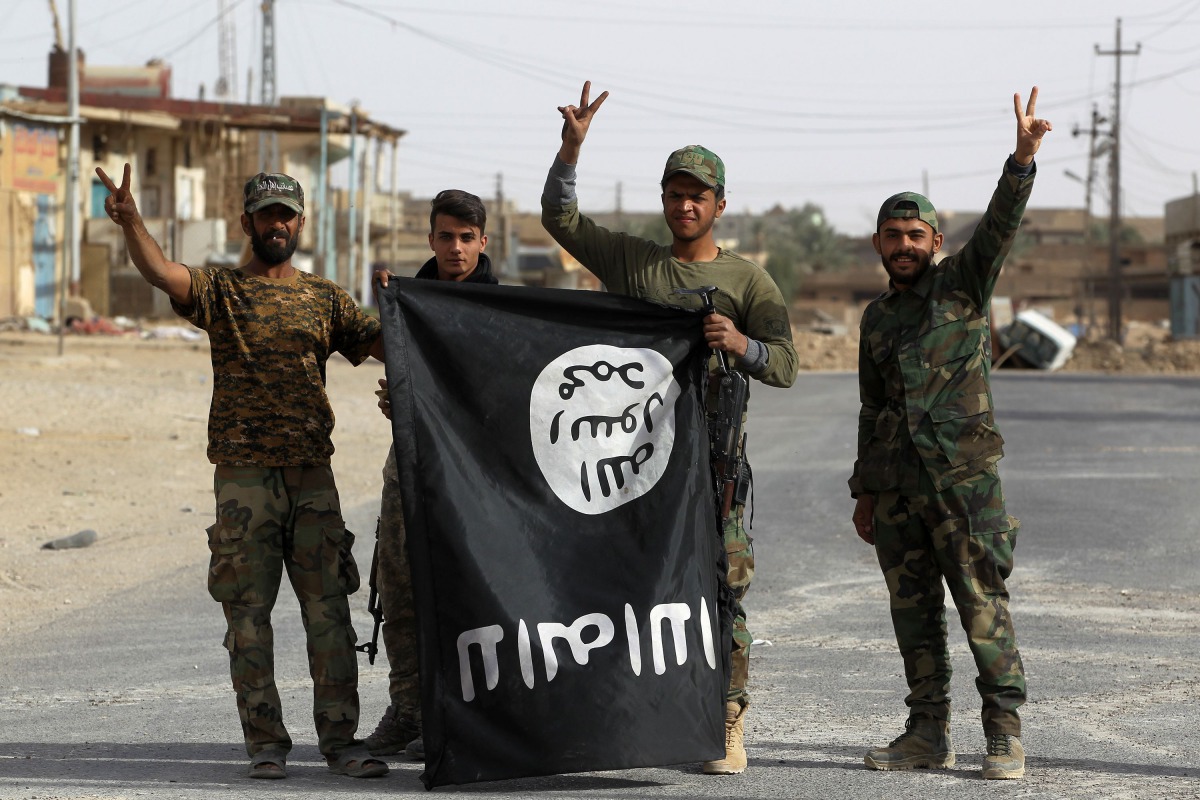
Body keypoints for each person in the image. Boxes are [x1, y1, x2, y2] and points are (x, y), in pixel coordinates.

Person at [97, 164, 389, 780]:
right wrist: (131, 222)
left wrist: (407, 305)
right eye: (266, 215)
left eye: (286, 215)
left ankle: (341, 743)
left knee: (330, 614)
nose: (276, 224)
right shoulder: (221, 290)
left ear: (300, 223)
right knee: (248, 617)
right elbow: (161, 272)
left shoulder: (326, 297)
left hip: (312, 476)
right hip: (244, 480)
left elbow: (392, 346)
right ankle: (266, 745)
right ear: (247, 223)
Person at [541, 81, 798, 775]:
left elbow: (786, 364)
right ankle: (624, 719)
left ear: (719, 205)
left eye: (698, 196)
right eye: (676, 194)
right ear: (664, 201)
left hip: (714, 469)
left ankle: (727, 720)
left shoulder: (749, 282)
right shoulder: (635, 263)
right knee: (624, 591)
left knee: (722, 589)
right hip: (635, 465)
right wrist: (571, 151)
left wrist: (741, 344)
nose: (686, 205)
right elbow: (560, 220)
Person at [848, 88, 1052, 781]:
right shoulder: (877, 320)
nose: (904, 245)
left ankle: (1004, 734)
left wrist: (1021, 160)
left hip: (964, 490)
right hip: (899, 493)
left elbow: (999, 225)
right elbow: (871, 408)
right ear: (879, 244)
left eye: (916, 235)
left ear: (935, 243)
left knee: (981, 608)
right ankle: (926, 734)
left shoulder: (963, 286)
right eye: (893, 235)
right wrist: (866, 491)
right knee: (915, 619)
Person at [364, 190, 499, 761]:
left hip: (478, 474)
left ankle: (474, 718)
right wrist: (397, 399)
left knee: (475, 592)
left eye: (467, 238)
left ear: (483, 242)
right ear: (431, 240)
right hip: (412, 464)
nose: (456, 248)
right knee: (399, 586)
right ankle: (411, 711)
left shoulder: (504, 312)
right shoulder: (407, 305)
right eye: (446, 236)